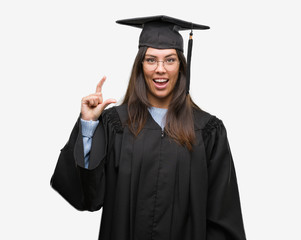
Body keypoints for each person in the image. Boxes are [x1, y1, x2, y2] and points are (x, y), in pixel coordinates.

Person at [51, 15, 247, 240]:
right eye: (151, 59)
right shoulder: (115, 124)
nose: (160, 69)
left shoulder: (208, 131)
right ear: (140, 66)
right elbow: (87, 198)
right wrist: (89, 125)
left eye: (170, 60)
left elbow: (223, 215)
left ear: (181, 67)